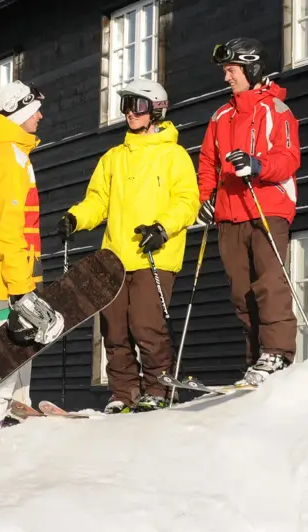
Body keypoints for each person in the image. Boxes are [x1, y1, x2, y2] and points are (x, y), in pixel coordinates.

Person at [58, 79, 199, 413]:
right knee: (115, 329)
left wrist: (162, 228)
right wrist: (76, 219)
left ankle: (157, 389)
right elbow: (97, 201)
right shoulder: (113, 158)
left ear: (156, 109)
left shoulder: (174, 156)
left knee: (147, 326)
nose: (129, 114)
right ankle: (123, 393)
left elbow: (187, 201)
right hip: (116, 257)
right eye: (125, 106)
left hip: (155, 255)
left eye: (136, 106)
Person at [0, 79, 64, 432]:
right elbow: (9, 228)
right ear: (20, 112)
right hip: (4, 278)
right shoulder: (8, 157)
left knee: (19, 348)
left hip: (5, 274)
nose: (41, 116)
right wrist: (20, 288)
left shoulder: (0, 153)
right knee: (4, 352)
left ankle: (15, 409)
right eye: (35, 110)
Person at [198, 37, 302, 387]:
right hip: (229, 213)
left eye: (231, 70)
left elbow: (289, 158)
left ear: (251, 68)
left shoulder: (276, 110)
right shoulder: (221, 116)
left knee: (269, 282)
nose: (226, 77)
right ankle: (258, 356)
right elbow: (208, 164)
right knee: (241, 291)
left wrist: (257, 165)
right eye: (226, 71)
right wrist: (205, 199)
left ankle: (277, 352)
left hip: (266, 206)